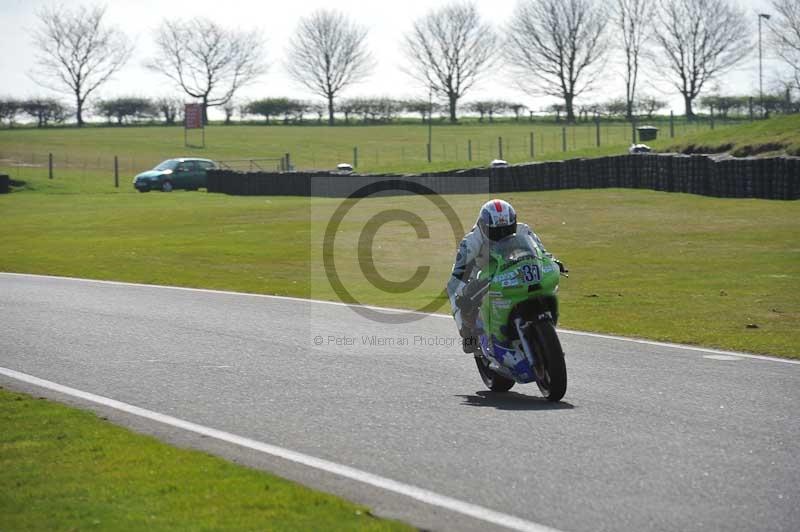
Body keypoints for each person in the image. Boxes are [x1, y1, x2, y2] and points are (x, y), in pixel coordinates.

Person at [446, 199, 565, 353]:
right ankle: (467, 334)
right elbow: (457, 277)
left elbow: (542, 253)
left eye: (507, 229)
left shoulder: (524, 230)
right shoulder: (470, 241)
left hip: (510, 267)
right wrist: (463, 297)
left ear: (514, 224)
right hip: (479, 276)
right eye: (495, 232)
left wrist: (554, 261)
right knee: (458, 296)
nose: (502, 235)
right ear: (483, 227)